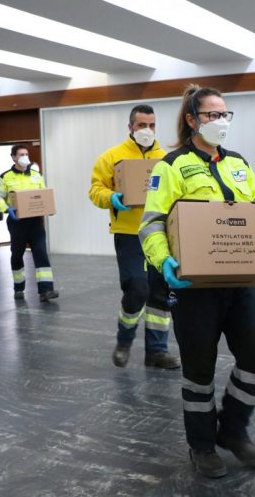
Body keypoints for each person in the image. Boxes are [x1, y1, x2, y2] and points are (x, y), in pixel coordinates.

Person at [140, 85, 255, 478]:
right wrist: (164, 262)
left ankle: (232, 430)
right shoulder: (171, 165)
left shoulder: (239, 163)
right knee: (199, 370)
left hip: (240, 281)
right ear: (193, 120)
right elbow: (151, 223)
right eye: (212, 115)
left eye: (225, 114)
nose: (221, 121)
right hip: (194, 286)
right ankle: (201, 445)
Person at [88, 104, 180, 370]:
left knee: (161, 294)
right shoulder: (112, 157)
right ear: (130, 127)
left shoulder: (167, 158)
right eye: (141, 125)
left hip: (161, 235)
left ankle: (157, 351)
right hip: (129, 234)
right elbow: (95, 190)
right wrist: (112, 198)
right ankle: (124, 340)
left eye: (151, 125)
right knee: (137, 289)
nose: (147, 130)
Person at [0, 145, 60, 302]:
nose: (25, 157)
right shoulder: (4, 177)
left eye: (27, 154)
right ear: (14, 157)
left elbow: (43, 195)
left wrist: (49, 207)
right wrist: (6, 209)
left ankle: (46, 290)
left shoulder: (37, 175)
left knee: (41, 253)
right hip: (17, 222)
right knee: (17, 254)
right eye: (21, 154)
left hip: (35, 222)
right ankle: (18, 287)